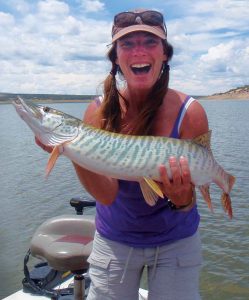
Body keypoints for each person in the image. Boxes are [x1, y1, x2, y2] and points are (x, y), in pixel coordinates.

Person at [36, 9, 209, 300]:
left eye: (150, 42)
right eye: (127, 44)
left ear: (165, 54)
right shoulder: (98, 110)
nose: (138, 51)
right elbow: (106, 195)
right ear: (116, 57)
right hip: (114, 239)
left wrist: (182, 199)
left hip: (176, 240)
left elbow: (190, 194)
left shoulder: (190, 112)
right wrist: (72, 151)